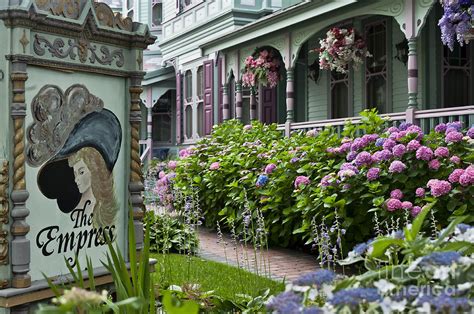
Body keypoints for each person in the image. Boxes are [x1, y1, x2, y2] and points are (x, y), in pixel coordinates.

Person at [68, 146, 118, 228]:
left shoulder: (104, 206)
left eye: (81, 172)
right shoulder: (77, 210)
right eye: (75, 174)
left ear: (93, 170)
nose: (76, 179)